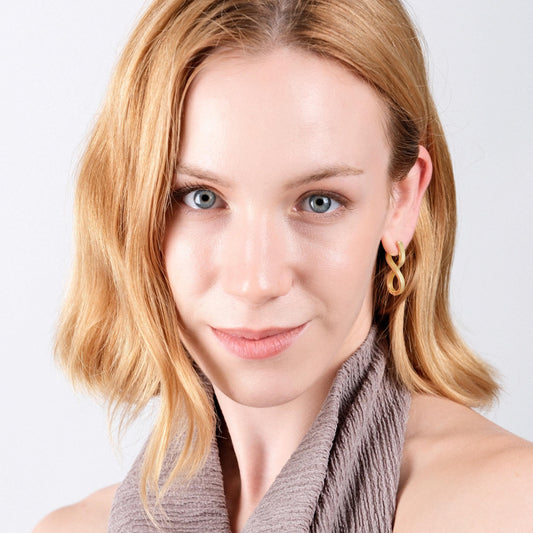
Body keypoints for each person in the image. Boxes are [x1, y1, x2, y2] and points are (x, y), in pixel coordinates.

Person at [34, 0, 533, 531]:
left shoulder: (505, 504)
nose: (256, 281)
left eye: (320, 201)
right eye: (200, 197)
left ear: (402, 201)